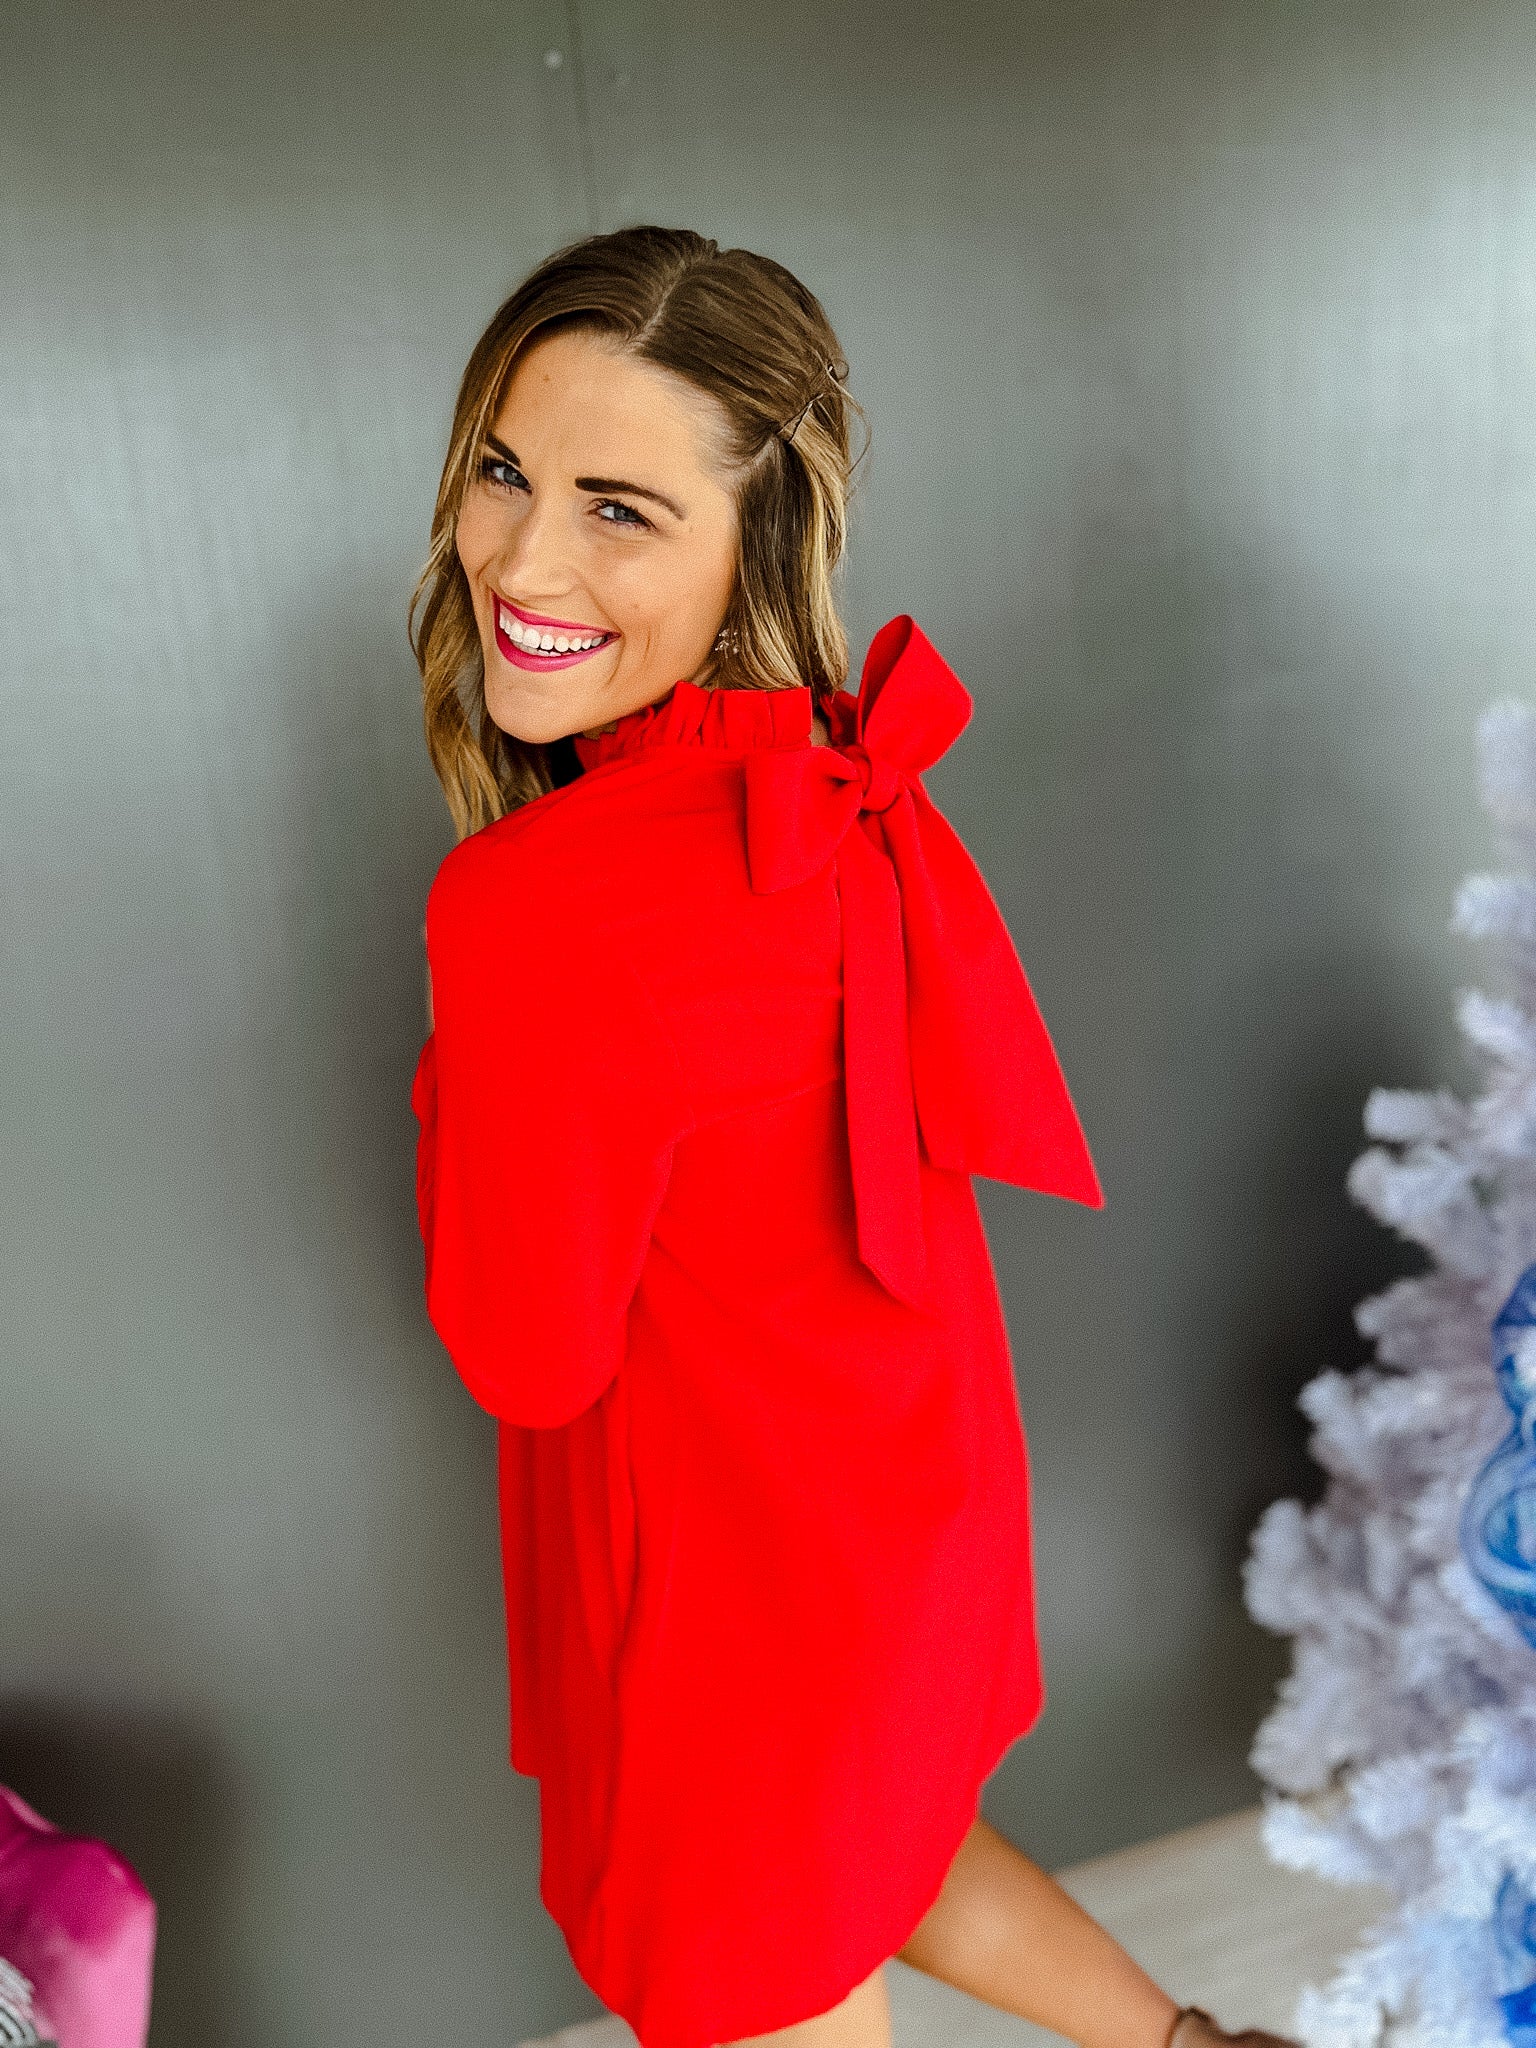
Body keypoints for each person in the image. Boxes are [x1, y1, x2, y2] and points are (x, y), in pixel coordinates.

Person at [408, 226, 1294, 2048]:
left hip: (731, 1601)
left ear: (755, 537)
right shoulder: (830, 781)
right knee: (891, 1847)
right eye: (505, 472)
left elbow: (527, 1352)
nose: (525, 559)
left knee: (782, 1933)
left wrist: (460, 1099)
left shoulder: (535, 906)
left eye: (619, 509)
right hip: (900, 1517)